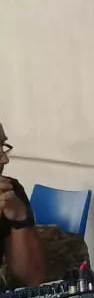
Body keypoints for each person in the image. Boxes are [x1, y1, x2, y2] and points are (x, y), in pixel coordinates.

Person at [0, 123, 44, 288]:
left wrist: (20, 218)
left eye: (3, 146)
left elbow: (33, 278)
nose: (5, 159)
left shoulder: (10, 192)